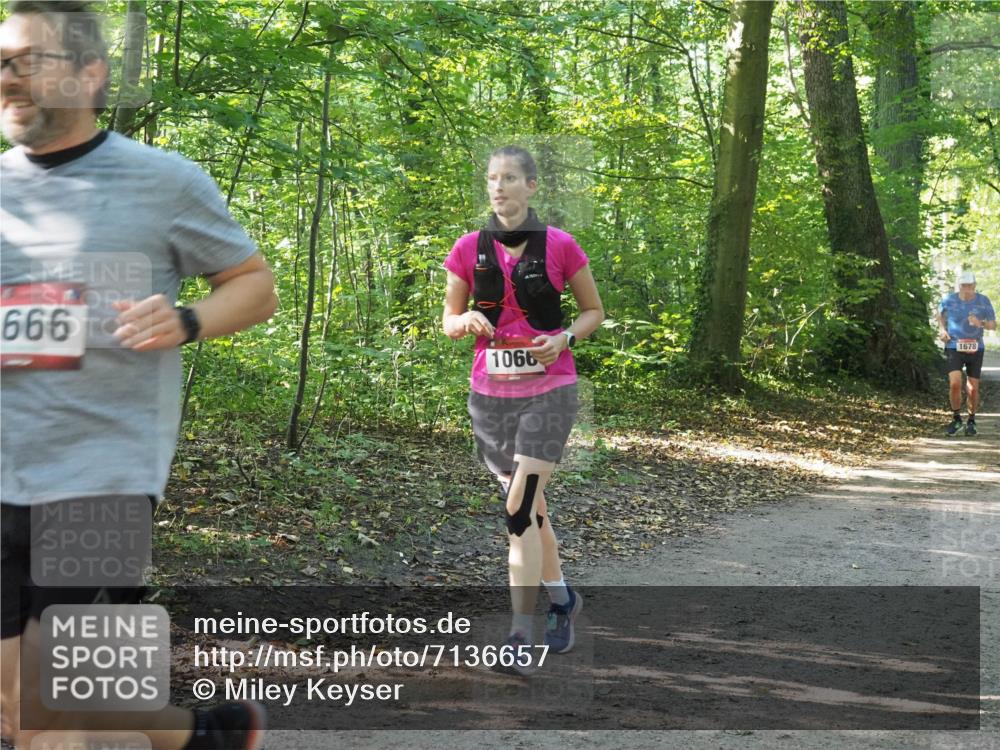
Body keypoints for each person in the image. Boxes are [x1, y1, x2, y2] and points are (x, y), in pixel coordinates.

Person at [1, 2, 277, 749]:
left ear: (90, 74)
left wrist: (186, 320)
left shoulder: (163, 181)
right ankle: (200, 737)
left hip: (104, 472)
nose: (8, 78)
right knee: (19, 701)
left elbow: (255, 286)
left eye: (28, 61)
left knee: (53, 708)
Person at [442, 146, 604, 672]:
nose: (498, 187)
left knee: (518, 508)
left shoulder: (560, 245)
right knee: (531, 511)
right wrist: (464, 321)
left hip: (550, 391)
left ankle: (518, 634)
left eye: (510, 178)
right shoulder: (468, 248)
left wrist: (564, 338)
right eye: (493, 178)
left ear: (532, 186)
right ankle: (562, 600)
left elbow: (593, 311)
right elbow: (448, 320)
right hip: (490, 398)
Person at [938, 271, 996, 436]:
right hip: (953, 346)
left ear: (975, 286)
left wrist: (980, 323)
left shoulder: (983, 301)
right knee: (955, 383)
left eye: (970, 285)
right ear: (959, 286)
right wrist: (942, 330)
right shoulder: (949, 300)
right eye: (964, 285)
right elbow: (940, 315)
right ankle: (956, 418)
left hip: (976, 347)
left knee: (973, 388)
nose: (967, 289)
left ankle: (971, 420)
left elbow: (993, 325)